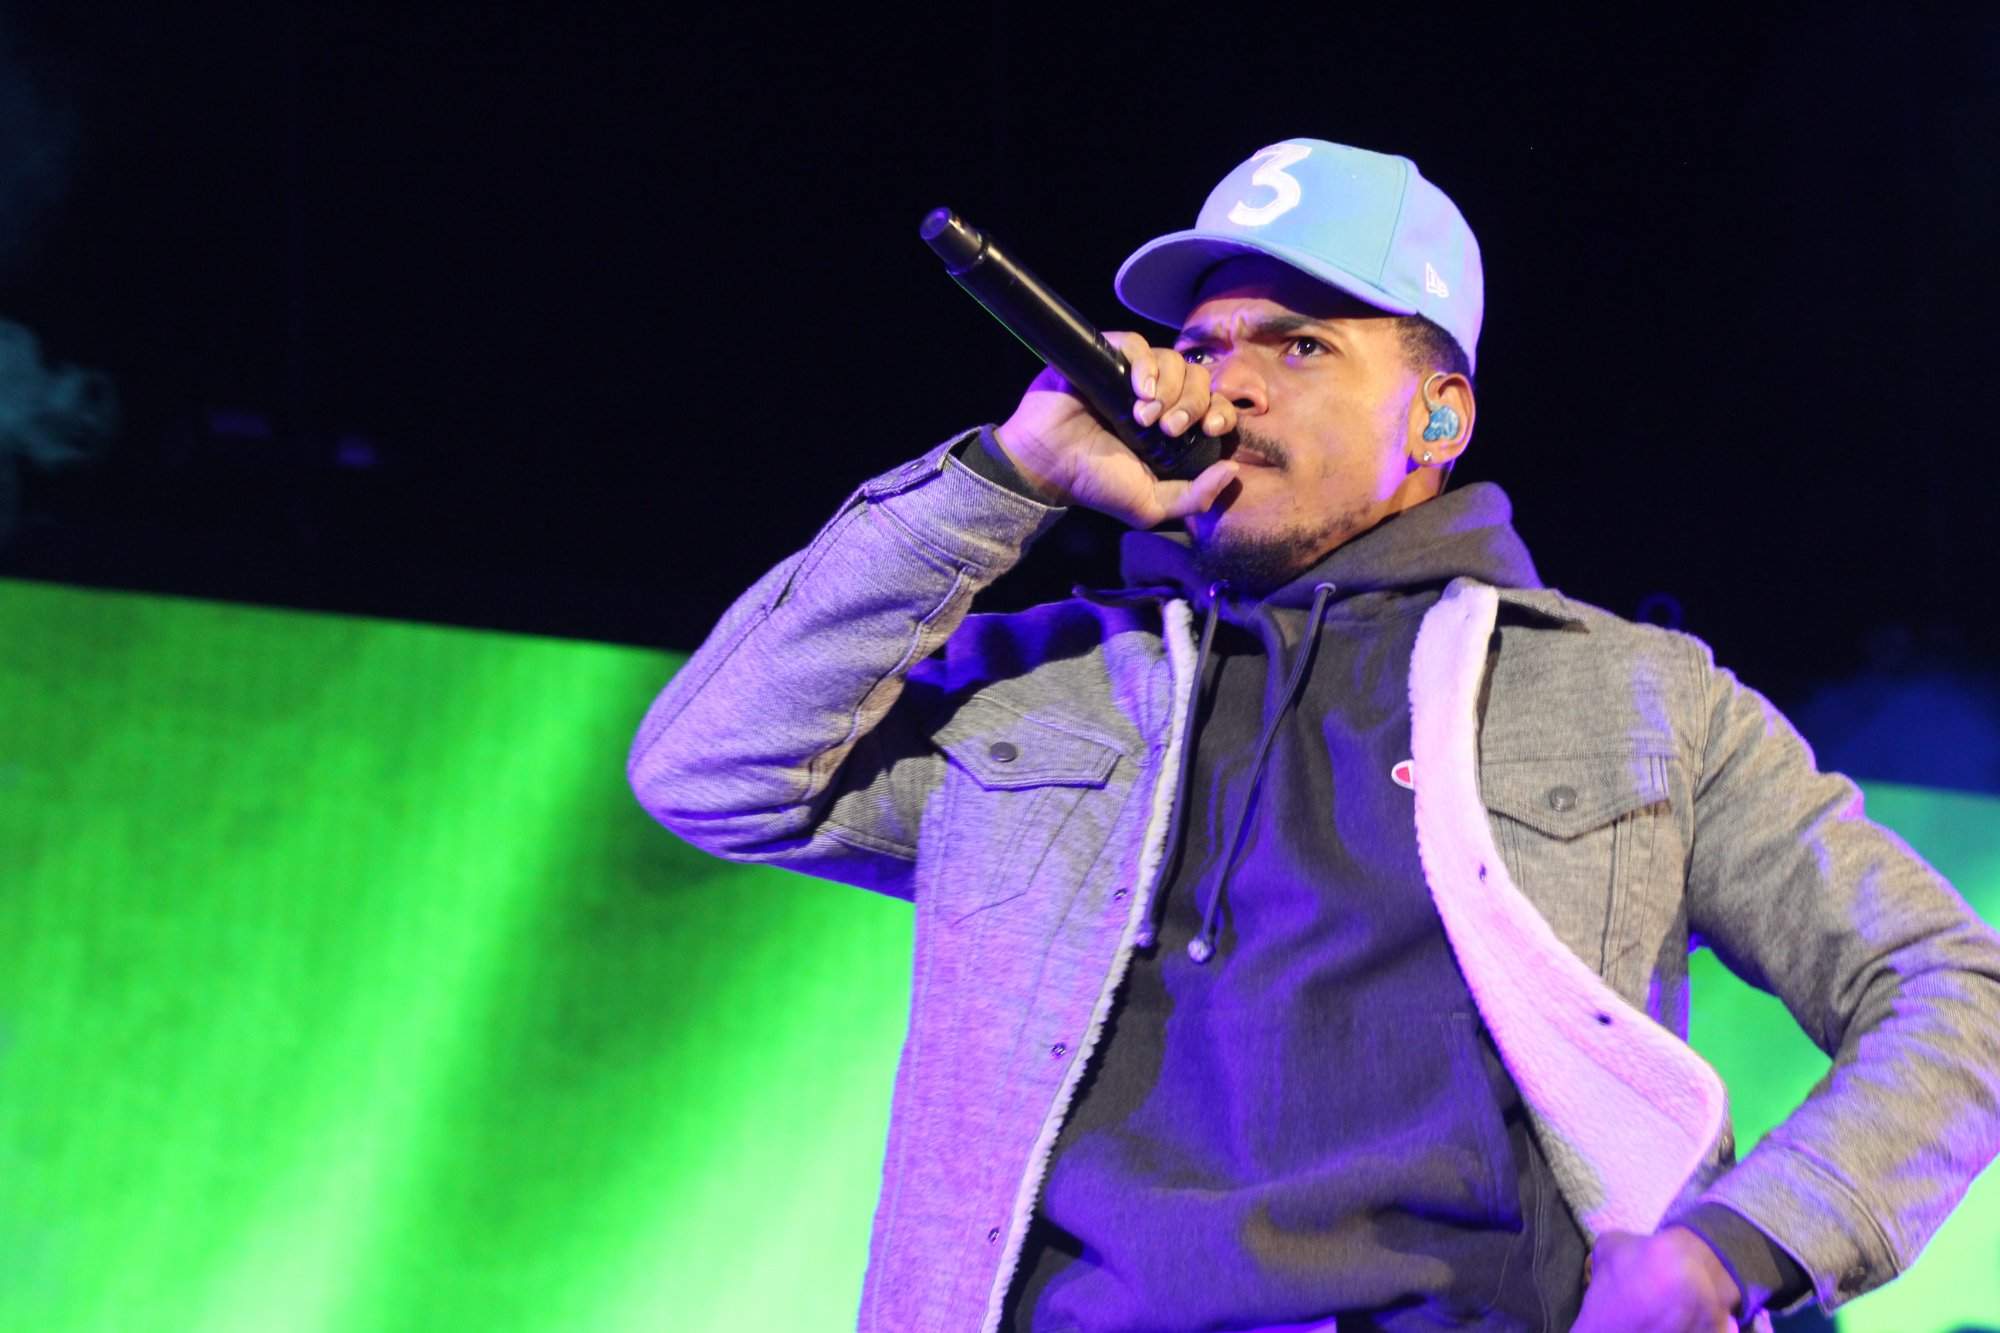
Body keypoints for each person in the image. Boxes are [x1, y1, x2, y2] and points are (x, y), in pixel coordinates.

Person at [627, 139, 2000, 1332]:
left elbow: (1955, 985)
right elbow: (708, 768)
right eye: (1209, 345)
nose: (1230, 386)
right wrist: (1009, 478)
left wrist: (1734, 1250)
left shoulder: (1637, 696)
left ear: (1437, 413)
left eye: (1300, 346)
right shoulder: (1053, 683)